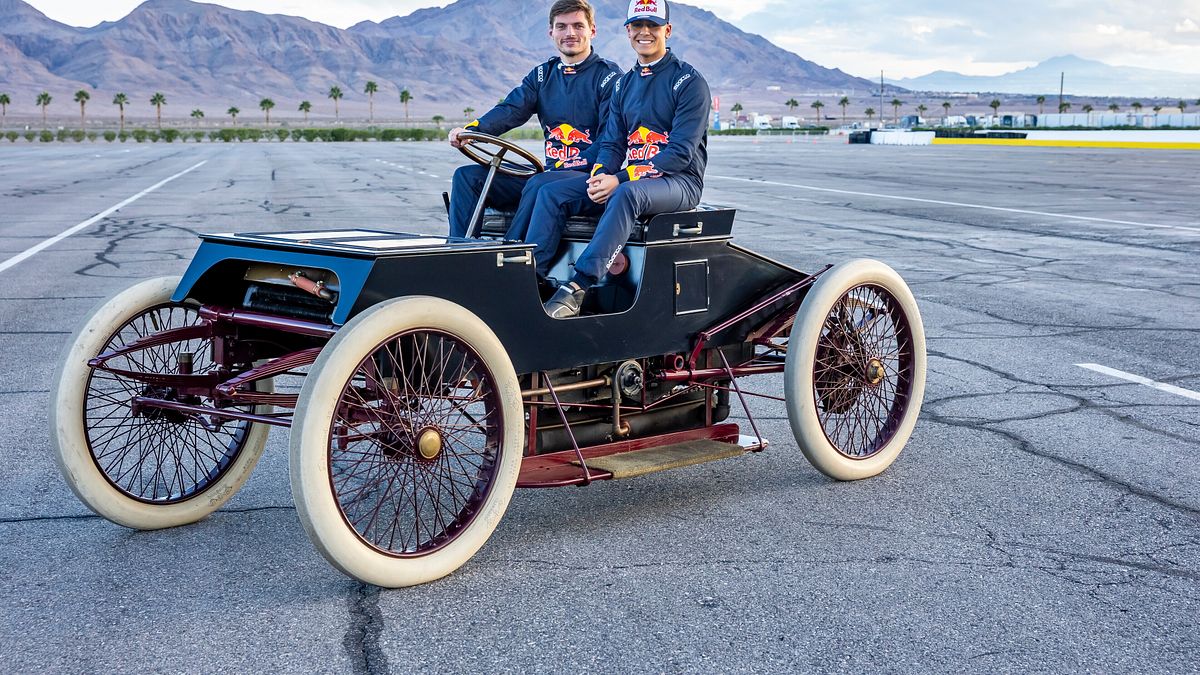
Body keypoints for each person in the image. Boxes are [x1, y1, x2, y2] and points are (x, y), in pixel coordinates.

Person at [530, 0, 711, 318]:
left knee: (627, 193)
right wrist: (600, 175)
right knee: (551, 191)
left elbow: (680, 154)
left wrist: (620, 178)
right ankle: (531, 278)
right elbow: (612, 144)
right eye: (638, 25)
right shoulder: (624, 85)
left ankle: (578, 286)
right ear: (628, 31)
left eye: (653, 26)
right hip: (636, 180)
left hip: (680, 182)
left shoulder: (688, 83)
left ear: (667, 31)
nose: (645, 32)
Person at [446, 0, 622, 242]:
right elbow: (510, 109)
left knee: (539, 182)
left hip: (587, 180)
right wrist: (472, 130)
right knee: (467, 177)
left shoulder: (609, 78)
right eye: (561, 26)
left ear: (592, 30)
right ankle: (460, 250)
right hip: (547, 175)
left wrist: (562, 167)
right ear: (551, 32)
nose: (570, 33)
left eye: (578, 26)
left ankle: (511, 253)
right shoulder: (541, 75)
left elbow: (608, 143)